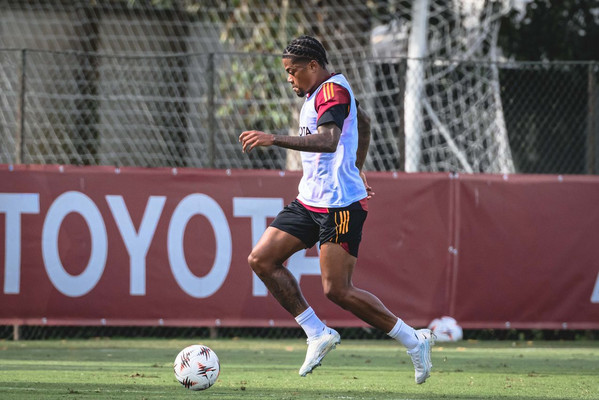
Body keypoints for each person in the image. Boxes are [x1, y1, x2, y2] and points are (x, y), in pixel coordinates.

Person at [238, 35, 435, 384]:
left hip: (339, 206)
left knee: (337, 290)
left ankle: (413, 340)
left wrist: (274, 138)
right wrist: (356, 166)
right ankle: (317, 333)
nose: (289, 78)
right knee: (262, 259)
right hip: (309, 200)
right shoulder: (321, 92)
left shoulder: (331, 90)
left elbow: (329, 141)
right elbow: (364, 122)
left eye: (293, 71)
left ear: (313, 66)